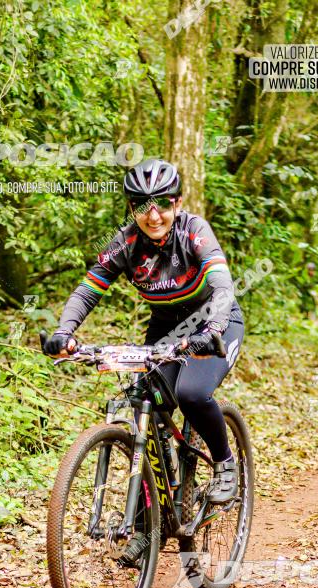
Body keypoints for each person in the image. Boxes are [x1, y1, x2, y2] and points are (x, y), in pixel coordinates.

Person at [42, 158, 244, 504]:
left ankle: (225, 464)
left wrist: (211, 328)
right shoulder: (125, 242)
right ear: (131, 208)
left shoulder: (195, 231)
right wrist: (65, 332)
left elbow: (223, 286)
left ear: (177, 203)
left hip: (214, 323)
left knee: (192, 394)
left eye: (163, 204)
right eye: (142, 206)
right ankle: (147, 521)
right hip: (165, 328)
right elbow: (88, 291)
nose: (154, 216)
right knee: (145, 406)